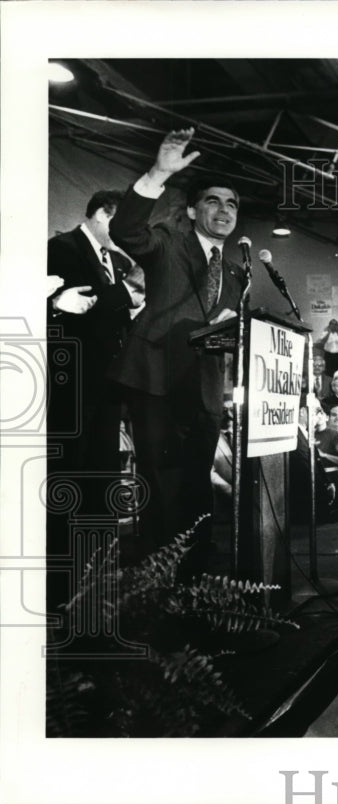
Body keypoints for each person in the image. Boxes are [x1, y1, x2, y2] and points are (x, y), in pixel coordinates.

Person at [108, 128, 242, 552]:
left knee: (196, 486)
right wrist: (157, 173)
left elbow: (223, 333)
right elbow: (128, 231)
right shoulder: (168, 241)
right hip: (157, 381)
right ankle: (158, 585)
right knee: (160, 485)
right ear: (191, 208)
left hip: (203, 390)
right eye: (213, 200)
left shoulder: (237, 271)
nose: (224, 210)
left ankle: (195, 579)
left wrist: (231, 334)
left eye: (232, 203)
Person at [47, 190, 143, 482]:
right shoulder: (59, 249)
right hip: (71, 384)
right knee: (69, 468)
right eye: (124, 223)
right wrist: (128, 292)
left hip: (110, 382)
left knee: (102, 471)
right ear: (102, 213)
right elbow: (70, 309)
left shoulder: (120, 263)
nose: (129, 235)